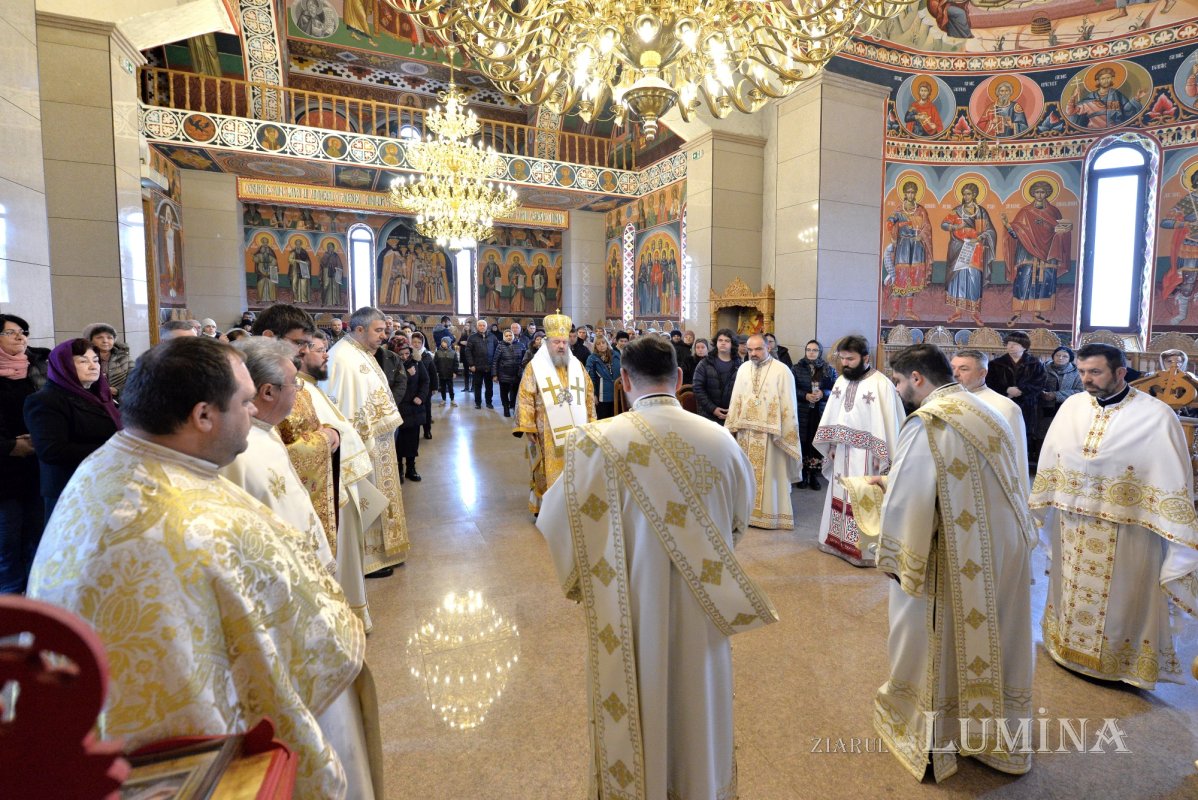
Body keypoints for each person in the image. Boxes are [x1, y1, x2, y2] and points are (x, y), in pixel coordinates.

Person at [26, 336, 378, 799]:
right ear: (204, 415)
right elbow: (304, 649)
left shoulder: (107, 465)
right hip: (184, 765)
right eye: (246, 402)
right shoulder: (197, 523)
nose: (254, 413)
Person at [536, 334, 778, 800]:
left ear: (624, 380)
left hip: (627, 609)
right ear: (681, 378)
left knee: (636, 693)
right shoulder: (722, 442)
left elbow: (554, 518)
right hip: (702, 607)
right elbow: (737, 523)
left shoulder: (595, 443)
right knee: (696, 701)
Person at [864, 343, 1035, 782]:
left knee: (931, 640)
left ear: (917, 378)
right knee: (989, 637)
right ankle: (984, 733)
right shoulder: (983, 411)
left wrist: (895, 560)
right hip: (998, 548)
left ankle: (932, 729)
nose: (900, 391)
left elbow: (911, 504)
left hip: (953, 556)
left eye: (900, 382)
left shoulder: (928, 422)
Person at [1033, 343, 1198, 689]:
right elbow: (1054, 457)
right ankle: (1067, 649)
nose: (1086, 380)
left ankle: (1121, 664)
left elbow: (1170, 475)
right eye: (1082, 372)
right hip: (1073, 522)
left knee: (1125, 598)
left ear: (1121, 372)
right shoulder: (1072, 406)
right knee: (1070, 588)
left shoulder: (1156, 415)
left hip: (1130, 527)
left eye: (1095, 372)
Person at [279, 329, 383, 633]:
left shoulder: (307, 388)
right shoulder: (300, 389)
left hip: (337, 483)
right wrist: (328, 439)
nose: (326, 355)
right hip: (327, 491)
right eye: (314, 348)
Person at [219, 338, 336, 576]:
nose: (298, 390)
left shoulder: (265, 429)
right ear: (268, 391)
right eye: (294, 383)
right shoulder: (237, 451)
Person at [322, 307, 409, 577]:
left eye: (384, 330)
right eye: (378, 330)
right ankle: (369, 560)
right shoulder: (343, 358)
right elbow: (344, 405)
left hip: (378, 440)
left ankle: (386, 552)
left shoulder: (360, 353)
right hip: (363, 445)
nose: (384, 335)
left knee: (381, 494)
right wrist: (361, 441)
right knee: (367, 496)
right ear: (359, 329)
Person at [813, 335, 904, 565]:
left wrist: (881, 454)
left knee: (862, 498)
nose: (845, 363)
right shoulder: (841, 381)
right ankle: (835, 540)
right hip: (842, 451)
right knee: (840, 493)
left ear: (865, 357)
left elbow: (888, 424)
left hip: (867, 455)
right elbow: (835, 414)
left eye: (850, 359)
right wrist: (832, 443)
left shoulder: (881, 384)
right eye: (842, 358)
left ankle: (862, 550)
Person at [23, 339, 121, 521]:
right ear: (63, 365)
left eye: (96, 360)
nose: (93, 366)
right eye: (83, 361)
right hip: (70, 489)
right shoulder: (45, 400)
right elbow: (52, 451)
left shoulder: (101, 396)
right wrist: (115, 449)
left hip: (105, 483)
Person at [513, 312, 596, 515]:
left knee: (574, 465)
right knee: (547, 468)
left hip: (576, 428)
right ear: (547, 342)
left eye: (564, 342)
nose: (561, 346)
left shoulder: (577, 365)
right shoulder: (535, 366)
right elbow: (525, 396)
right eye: (557, 342)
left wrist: (592, 421)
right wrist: (528, 425)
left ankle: (571, 503)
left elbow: (588, 394)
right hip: (545, 428)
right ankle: (546, 508)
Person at [725, 334, 802, 529]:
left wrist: (786, 432)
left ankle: (771, 516)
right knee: (746, 474)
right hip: (745, 433)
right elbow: (736, 398)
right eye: (750, 350)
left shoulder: (782, 371)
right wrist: (731, 426)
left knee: (771, 475)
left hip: (772, 435)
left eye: (758, 349)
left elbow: (789, 404)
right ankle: (745, 514)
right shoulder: (743, 369)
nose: (753, 354)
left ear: (768, 347)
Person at [0, 313, 49, 593]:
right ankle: (11, 606)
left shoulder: (38, 368)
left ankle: (35, 598)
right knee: (7, 541)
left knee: (36, 536)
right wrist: (10, 446)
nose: (21, 337)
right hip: (4, 472)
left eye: (23, 332)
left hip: (35, 465)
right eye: (11, 333)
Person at [950, 349, 1029, 488]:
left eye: (964, 369)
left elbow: (1016, 458)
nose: (955, 374)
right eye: (952, 368)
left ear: (982, 373)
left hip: (988, 484)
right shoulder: (942, 401)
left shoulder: (1006, 408)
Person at [1002, 181, 1072, 326]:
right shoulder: (1025, 212)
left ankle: (1037, 313)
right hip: (1026, 251)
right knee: (1023, 280)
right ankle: (1017, 313)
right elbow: (1016, 233)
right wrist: (1008, 227)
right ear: (1033, 193)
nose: (1040, 195)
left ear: (1047, 194)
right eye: (1037, 192)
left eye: (1043, 192)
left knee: (1044, 281)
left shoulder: (1053, 211)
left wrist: (1063, 232)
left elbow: (1059, 229)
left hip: (1048, 251)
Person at [984, 331, 1045, 461]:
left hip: (1027, 405)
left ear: (1024, 346)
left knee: (1024, 434)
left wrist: (1021, 390)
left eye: (1015, 344)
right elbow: (989, 383)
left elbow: (1039, 383)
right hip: (1002, 402)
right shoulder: (996, 363)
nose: (1010, 346)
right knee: (1002, 431)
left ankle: (1022, 462)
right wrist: (1007, 389)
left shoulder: (1035, 363)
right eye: (1009, 344)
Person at [942, 182, 996, 326]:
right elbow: (944, 224)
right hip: (958, 248)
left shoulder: (981, 212)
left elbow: (990, 231)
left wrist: (980, 237)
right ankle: (957, 311)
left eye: (969, 194)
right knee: (958, 278)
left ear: (974, 195)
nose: (966, 196)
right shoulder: (957, 211)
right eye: (964, 194)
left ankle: (974, 313)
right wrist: (954, 226)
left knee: (973, 279)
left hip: (974, 249)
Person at [885, 180, 933, 321]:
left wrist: (921, 236)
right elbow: (890, 222)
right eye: (908, 192)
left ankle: (908, 311)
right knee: (900, 277)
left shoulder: (920, 210)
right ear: (904, 194)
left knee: (913, 279)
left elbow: (927, 227)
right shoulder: (899, 210)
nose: (911, 195)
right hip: (903, 247)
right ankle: (894, 311)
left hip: (917, 247)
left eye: (913, 192)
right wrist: (893, 233)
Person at [792, 339, 836, 490]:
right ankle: (803, 474)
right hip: (803, 410)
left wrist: (823, 393)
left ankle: (814, 475)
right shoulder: (797, 368)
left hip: (820, 411)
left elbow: (836, 390)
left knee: (816, 444)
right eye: (808, 349)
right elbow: (791, 389)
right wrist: (805, 395)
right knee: (803, 442)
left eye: (815, 350)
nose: (811, 352)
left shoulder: (828, 369)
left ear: (820, 352)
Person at [1160, 168, 1198, 324]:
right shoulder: (1188, 201)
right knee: (1188, 283)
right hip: (1192, 246)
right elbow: (1165, 222)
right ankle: (1182, 314)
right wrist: (1185, 222)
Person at [692, 328, 740, 426]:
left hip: (732, 415)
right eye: (720, 340)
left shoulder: (740, 365)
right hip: (708, 414)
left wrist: (733, 410)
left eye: (727, 341)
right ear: (716, 343)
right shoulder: (704, 363)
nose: (723, 343)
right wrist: (712, 408)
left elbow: (743, 391)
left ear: (732, 344)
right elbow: (697, 388)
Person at [394, 343, 428, 482]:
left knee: (412, 441)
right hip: (399, 407)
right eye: (401, 354)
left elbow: (425, 381)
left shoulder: (417, 364)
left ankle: (411, 469)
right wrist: (408, 373)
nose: (404, 357)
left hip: (414, 407)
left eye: (407, 354)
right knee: (398, 442)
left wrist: (421, 396)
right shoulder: (392, 366)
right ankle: (399, 470)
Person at [1040, 345, 1082, 440]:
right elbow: (1035, 384)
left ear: (1070, 358)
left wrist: (1056, 395)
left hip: (1066, 408)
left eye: (1065, 356)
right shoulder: (1042, 369)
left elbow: (1080, 391)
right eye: (1057, 355)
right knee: (1043, 436)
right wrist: (1042, 393)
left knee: (1062, 437)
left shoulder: (1077, 373)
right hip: (1044, 408)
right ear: (1053, 356)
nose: (1060, 358)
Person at [83, 323, 132, 401]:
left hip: (120, 402)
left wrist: (118, 391)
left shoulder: (124, 358)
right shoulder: (82, 358)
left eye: (109, 337)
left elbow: (137, 380)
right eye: (99, 337)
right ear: (89, 340)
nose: (105, 341)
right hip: (91, 401)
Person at [586, 336, 621, 420]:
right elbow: (590, 378)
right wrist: (593, 395)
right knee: (604, 420)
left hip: (617, 394)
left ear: (607, 343)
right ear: (595, 346)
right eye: (598, 344)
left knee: (617, 420)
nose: (601, 345)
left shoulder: (616, 355)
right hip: (602, 397)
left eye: (603, 343)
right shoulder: (592, 359)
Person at [492, 328, 524, 418]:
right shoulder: (500, 346)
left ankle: (513, 406)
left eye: (510, 335)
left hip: (517, 374)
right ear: (504, 337)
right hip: (504, 374)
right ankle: (506, 409)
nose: (509, 337)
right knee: (504, 393)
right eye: (507, 336)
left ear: (513, 336)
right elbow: (495, 361)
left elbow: (524, 360)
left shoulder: (520, 345)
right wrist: (494, 375)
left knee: (515, 393)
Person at [411, 332, 437, 440]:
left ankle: (427, 430)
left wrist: (435, 387)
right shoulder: (408, 354)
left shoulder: (427, 355)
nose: (416, 344)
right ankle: (414, 432)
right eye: (414, 342)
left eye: (419, 342)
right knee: (414, 411)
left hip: (426, 388)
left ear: (422, 343)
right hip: (412, 388)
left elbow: (433, 373)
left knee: (426, 410)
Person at [465, 319, 495, 409]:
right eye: (480, 325)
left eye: (484, 325)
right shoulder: (472, 337)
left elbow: (497, 350)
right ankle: (478, 403)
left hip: (489, 366)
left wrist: (494, 366)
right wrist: (471, 365)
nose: (482, 327)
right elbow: (468, 352)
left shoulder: (492, 337)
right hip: (477, 367)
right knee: (477, 386)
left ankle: (489, 402)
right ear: (477, 327)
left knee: (489, 386)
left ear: (486, 327)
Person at [434, 336, 459, 406]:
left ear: (448, 343)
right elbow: (435, 363)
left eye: (444, 342)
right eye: (442, 342)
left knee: (451, 387)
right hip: (441, 373)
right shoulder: (438, 352)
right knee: (442, 388)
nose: (443, 343)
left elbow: (456, 363)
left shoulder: (453, 353)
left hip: (449, 374)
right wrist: (436, 371)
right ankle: (443, 399)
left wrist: (455, 372)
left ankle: (452, 400)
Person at [320, 242, 344, 306]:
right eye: (328, 246)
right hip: (326, 272)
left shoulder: (336, 255)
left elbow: (340, 265)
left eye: (330, 246)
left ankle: (336, 302)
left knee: (335, 287)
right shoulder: (325, 255)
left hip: (335, 272)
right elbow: (322, 264)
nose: (329, 248)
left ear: (333, 248)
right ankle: (325, 302)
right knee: (326, 286)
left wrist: (337, 268)